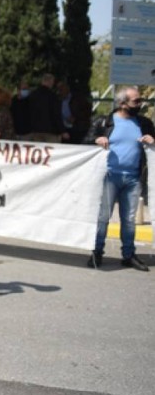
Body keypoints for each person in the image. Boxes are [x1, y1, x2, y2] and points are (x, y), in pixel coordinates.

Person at [86, 86, 152, 271]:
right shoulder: (104, 122)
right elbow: (85, 141)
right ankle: (97, 252)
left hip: (133, 178)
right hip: (109, 176)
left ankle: (128, 255)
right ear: (122, 103)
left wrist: (152, 141)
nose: (140, 104)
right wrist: (96, 140)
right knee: (103, 217)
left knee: (129, 219)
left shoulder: (144, 123)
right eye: (136, 101)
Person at [26, 73, 67, 143]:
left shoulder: (32, 95)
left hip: (36, 130)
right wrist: (62, 131)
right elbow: (56, 114)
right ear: (50, 82)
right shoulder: (53, 96)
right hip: (51, 131)